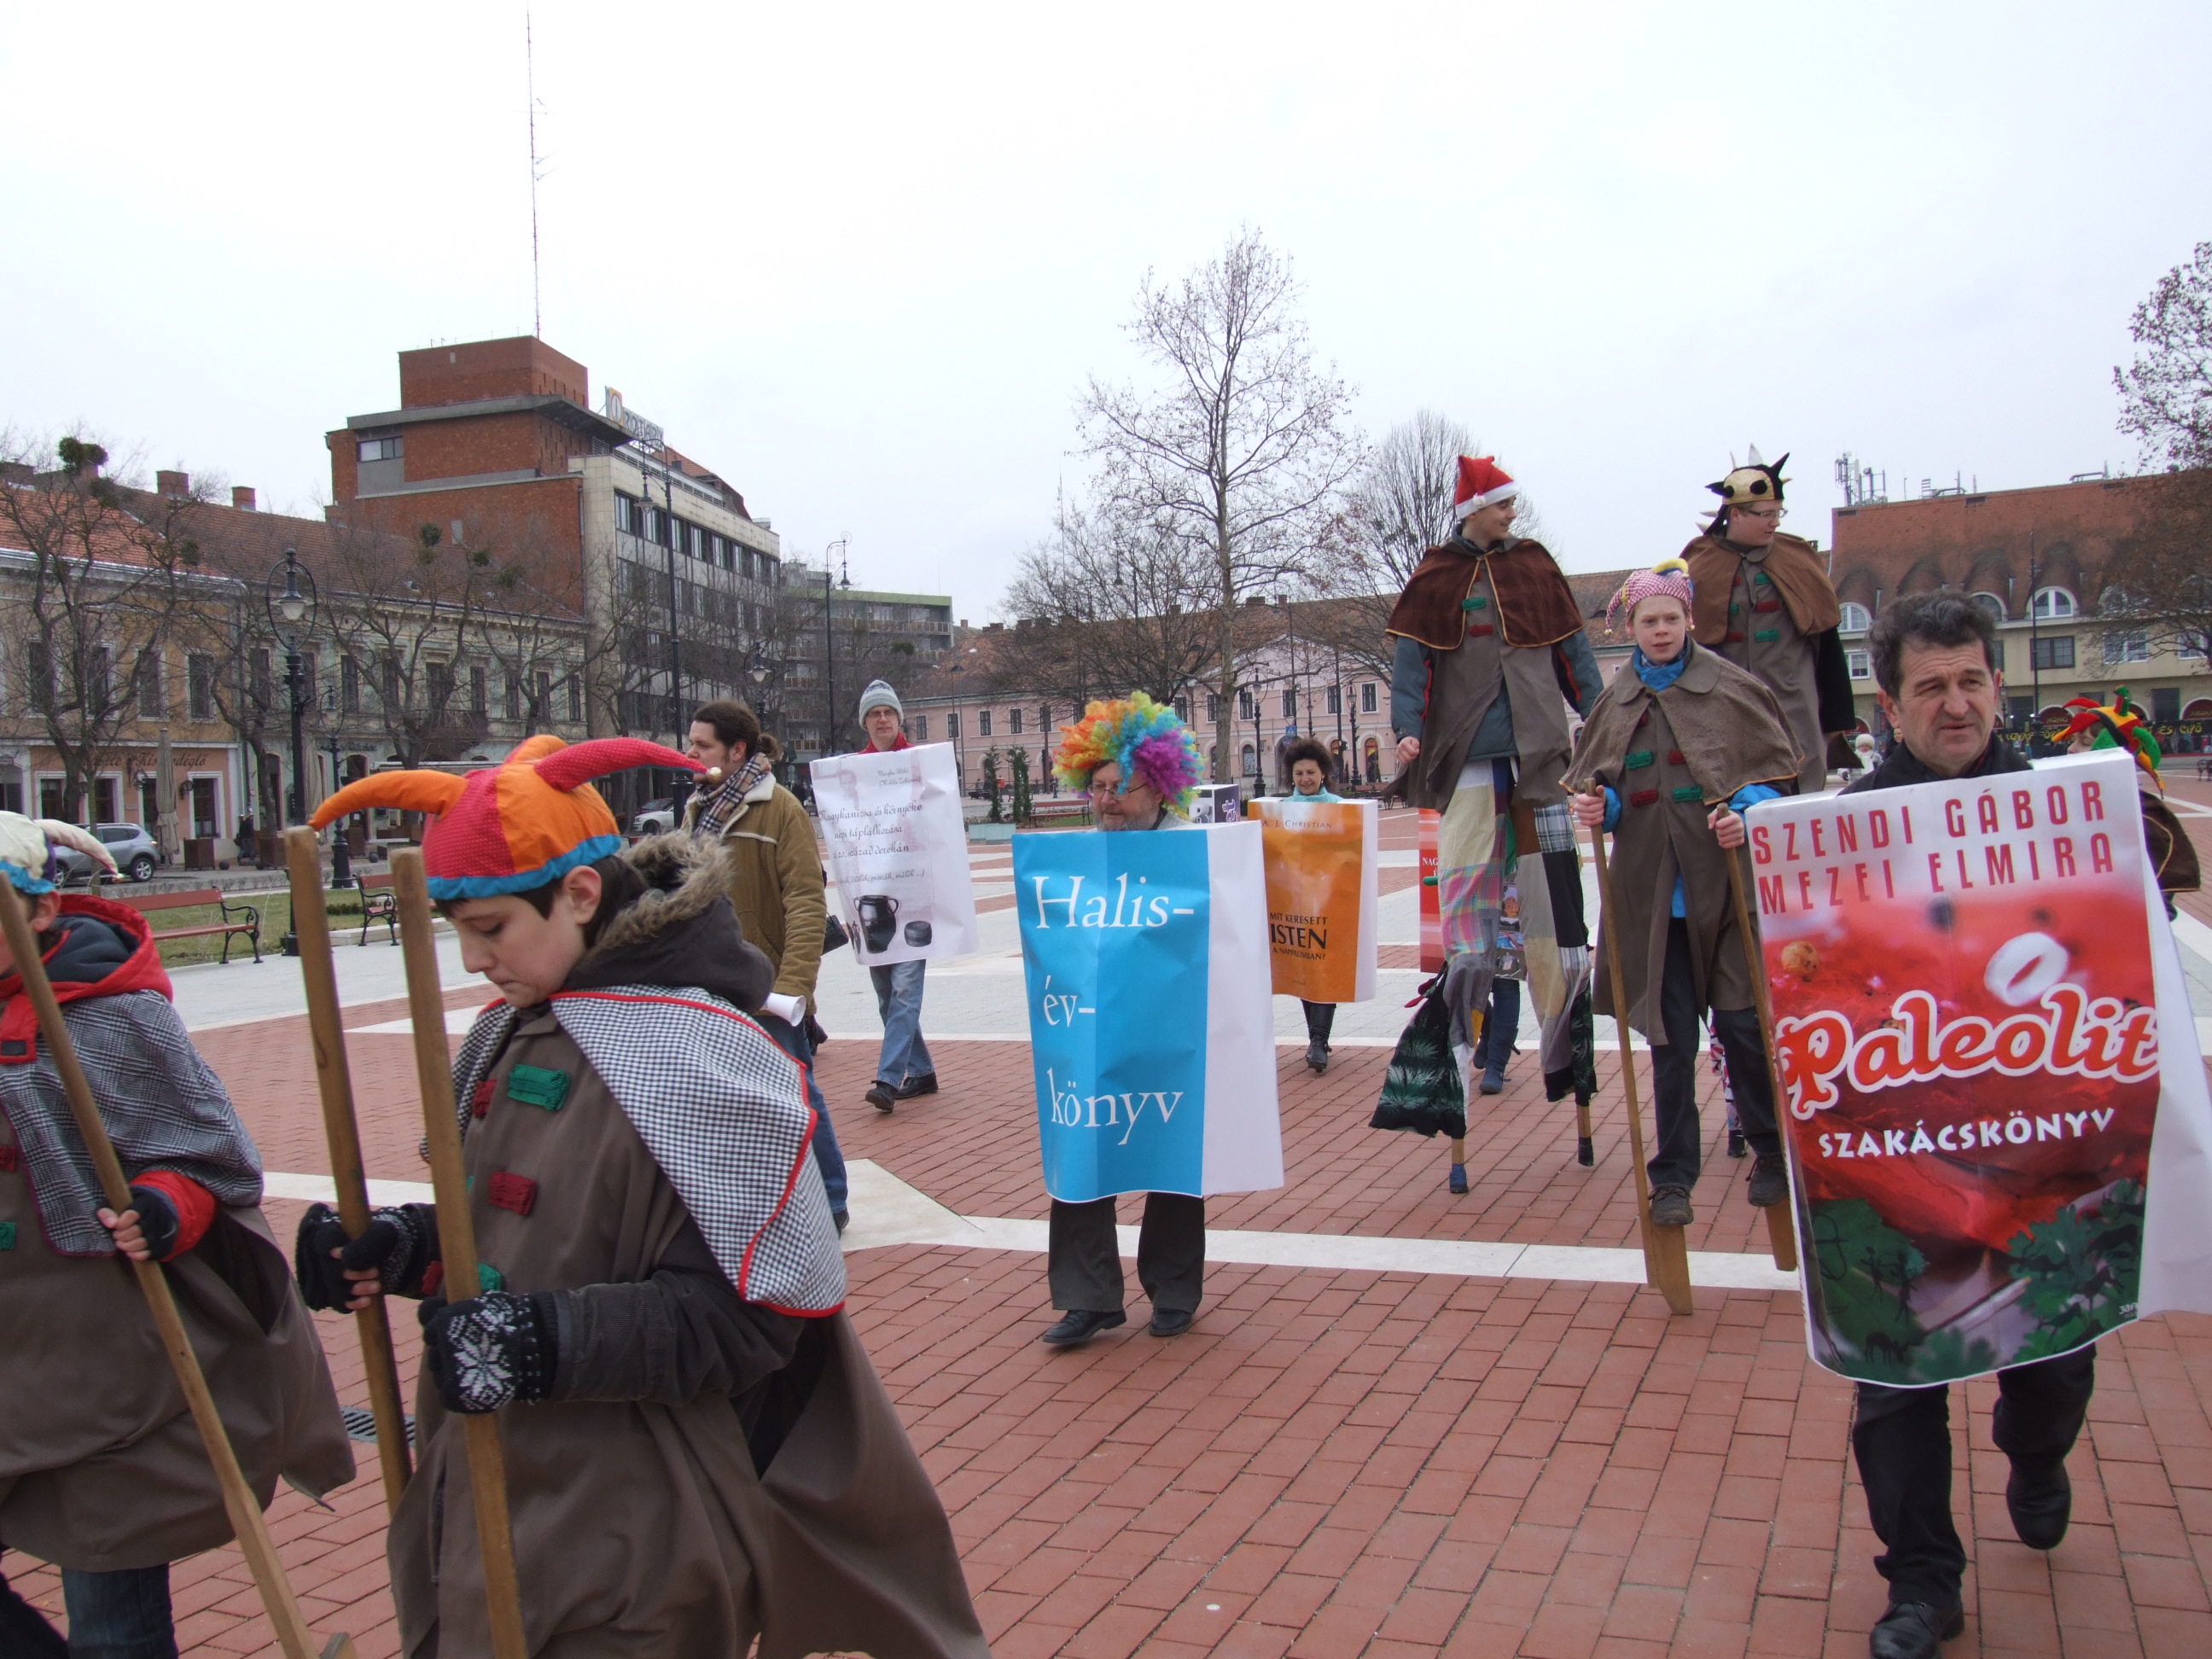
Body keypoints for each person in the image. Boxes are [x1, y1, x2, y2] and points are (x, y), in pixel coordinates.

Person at [296, 737, 987, 1659]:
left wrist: (543, 1342)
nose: (469, 961)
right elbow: (532, 1232)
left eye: (491, 928)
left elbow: (749, 1321)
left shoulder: (700, 1051)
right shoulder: (517, 1024)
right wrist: (405, 1247)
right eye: (455, 929)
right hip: (492, 1501)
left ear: (581, 893)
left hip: (629, 1539)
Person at [1839, 595, 2172, 1659]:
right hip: (1901, 1151)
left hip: (2043, 1152)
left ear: (1996, 685)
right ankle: (1921, 1584)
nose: (1956, 704)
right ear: (1890, 703)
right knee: (1893, 1372)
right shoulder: (1839, 834)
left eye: (1971, 681)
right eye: (1930, 686)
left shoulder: (2066, 815)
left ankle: (2036, 1450)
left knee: (2053, 1356)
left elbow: (2140, 955)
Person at [0, 813, 352, 1659]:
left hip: (110, 1363)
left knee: (112, 1613)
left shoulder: (113, 1018)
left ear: (39, 910)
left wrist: (163, 1207)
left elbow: (211, 1159)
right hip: (10, 1349)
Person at [1388, 454, 1604, 1190]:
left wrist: (1601, 720)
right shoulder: (1435, 576)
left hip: (1541, 757)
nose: (1514, 512)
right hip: (1471, 758)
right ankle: (1458, 1046)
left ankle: (1566, 1052)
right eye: (1503, 503)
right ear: (1473, 509)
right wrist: (1406, 728)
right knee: (1469, 931)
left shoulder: (1536, 565)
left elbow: (1575, 653)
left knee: (1557, 925)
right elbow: (1412, 664)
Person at [1564, 557, 1802, 1228]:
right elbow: (1606, 790)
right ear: (1632, 628)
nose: (1661, 630)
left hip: (1724, 895)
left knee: (1743, 1027)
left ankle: (1770, 1150)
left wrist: (1745, 812)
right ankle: (1672, 1178)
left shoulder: (1731, 689)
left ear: (1688, 619)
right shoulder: (1616, 702)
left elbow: (1772, 782)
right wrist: (1601, 807)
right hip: (1654, 903)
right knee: (1669, 1045)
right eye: (1649, 621)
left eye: (1671, 618)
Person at [1039, 695, 1209, 1345]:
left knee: (1172, 1154)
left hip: (1173, 1031)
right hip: (1092, 1029)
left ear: (1159, 787)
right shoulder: (1079, 858)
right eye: (1099, 787)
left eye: (1121, 788)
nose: (1107, 801)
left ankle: (1173, 1287)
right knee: (1082, 1149)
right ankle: (1088, 1297)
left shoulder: (1193, 853)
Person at [681, 700, 847, 1230]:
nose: (691, 752)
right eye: (691, 742)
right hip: (709, 986)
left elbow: (806, 901)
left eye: (702, 745)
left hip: (767, 988)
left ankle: (832, 1201)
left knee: (797, 1097)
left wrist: (793, 986)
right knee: (726, 1102)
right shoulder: (697, 808)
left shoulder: (780, 809)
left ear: (737, 750)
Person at [1681, 447, 1858, 795]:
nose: (1775, 522)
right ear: (1735, 514)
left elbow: (1827, 643)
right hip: (1725, 706)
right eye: (1765, 514)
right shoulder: (1697, 562)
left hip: (1794, 703)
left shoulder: (1797, 556)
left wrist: (1837, 718)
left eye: (1779, 513)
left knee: (1800, 790)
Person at [853, 680, 939, 1114]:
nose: (882, 719)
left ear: (899, 719)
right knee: (887, 995)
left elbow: (940, 823)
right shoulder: (851, 773)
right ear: (865, 722)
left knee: (905, 990)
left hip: (915, 895)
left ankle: (888, 1079)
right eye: (875, 713)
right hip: (873, 899)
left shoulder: (921, 765)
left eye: (888, 712)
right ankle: (922, 1072)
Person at [1282, 736, 1348, 1073]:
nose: (1305, 779)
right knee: (1306, 969)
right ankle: (1316, 1039)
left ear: (1323, 773)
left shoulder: (1340, 808)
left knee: (1325, 968)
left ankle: (1319, 1041)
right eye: (1299, 774)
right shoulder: (1280, 811)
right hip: (1295, 903)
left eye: (1310, 772)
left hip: (1331, 900)